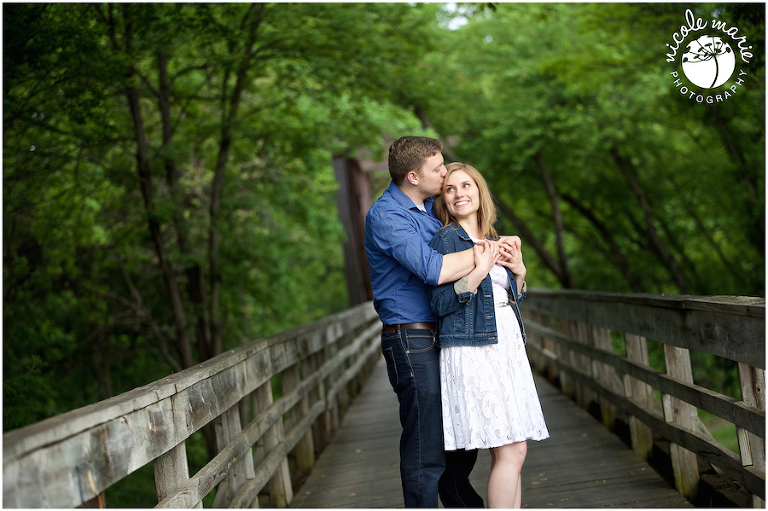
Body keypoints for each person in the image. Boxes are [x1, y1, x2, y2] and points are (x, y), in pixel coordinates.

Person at [364, 136, 520, 507]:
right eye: (438, 169)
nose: (445, 172)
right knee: (426, 446)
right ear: (414, 176)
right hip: (412, 339)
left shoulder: (430, 209)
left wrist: (506, 260)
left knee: (460, 439)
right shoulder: (388, 216)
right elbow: (435, 270)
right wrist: (489, 250)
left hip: (449, 335)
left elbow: (465, 227)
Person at [429, 162, 549, 509]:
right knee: (510, 449)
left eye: (466, 186)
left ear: (480, 192)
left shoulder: (496, 238)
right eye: (450, 189)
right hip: (473, 349)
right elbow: (438, 302)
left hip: (505, 348)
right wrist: (480, 269)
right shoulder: (446, 240)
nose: (458, 194)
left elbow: (510, 296)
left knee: (516, 449)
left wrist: (520, 271)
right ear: (444, 199)